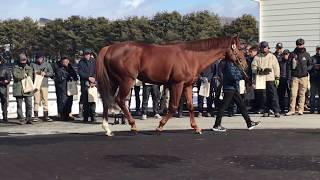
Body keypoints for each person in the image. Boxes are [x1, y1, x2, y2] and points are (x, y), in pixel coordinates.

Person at [212, 59, 260, 132]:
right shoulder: (229, 63)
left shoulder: (227, 63)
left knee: (241, 105)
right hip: (230, 88)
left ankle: (249, 123)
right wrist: (242, 75)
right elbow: (232, 75)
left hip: (232, 87)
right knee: (224, 106)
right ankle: (216, 125)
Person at [251, 41, 281, 118]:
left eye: (265, 47)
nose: (264, 48)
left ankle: (276, 111)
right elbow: (253, 67)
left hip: (270, 78)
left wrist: (277, 77)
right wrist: (259, 70)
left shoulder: (272, 56)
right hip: (261, 79)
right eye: (262, 47)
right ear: (260, 48)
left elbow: (276, 67)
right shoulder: (257, 57)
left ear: (268, 47)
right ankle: (266, 110)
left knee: (273, 95)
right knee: (263, 96)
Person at [286, 38, 311, 116]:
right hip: (295, 77)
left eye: (301, 44)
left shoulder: (307, 54)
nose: (300, 46)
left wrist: (306, 70)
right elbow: (289, 66)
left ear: (303, 44)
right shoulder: (292, 54)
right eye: (298, 44)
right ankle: (292, 110)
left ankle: (300, 109)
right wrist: (289, 77)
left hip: (304, 77)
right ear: (296, 45)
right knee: (293, 94)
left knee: (302, 94)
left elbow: (310, 65)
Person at [31, 51, 54, 122]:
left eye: (41, 58)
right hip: (36, 85)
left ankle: (46, 115)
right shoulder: (32, 64)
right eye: (38, 58)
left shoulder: (47, 64)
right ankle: (36, 115)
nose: (39, 60)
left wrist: (45, 73)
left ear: (43, 58)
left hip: (44, 85)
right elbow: (30, 74)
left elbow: (51, 73)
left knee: (45, 100)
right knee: (36, 100)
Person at [12, 53, 34, 124]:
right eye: (22, 60)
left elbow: (30, 76)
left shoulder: (29, 68)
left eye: (24, 60)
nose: (23, 62)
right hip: (18, 89)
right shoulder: (15, 67)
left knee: (29, 105)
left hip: (27, 88)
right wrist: (24, 75)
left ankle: (29, 118)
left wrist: (24, 75)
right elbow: (16, 76)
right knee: (19, 105)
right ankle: (21, 119)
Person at [55, 56, 78, 121]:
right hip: (62, 87)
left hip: (70, 87)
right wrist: (67, 76)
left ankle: (68, 114)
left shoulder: (71, 68)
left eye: (67, 61)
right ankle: (62, 115)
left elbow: (75, 76)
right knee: (62, 101)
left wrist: (73, 78)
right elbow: (59, 78)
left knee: (69, 101)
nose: (66, 63)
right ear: (62, 62)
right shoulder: (59, 68)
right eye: (64, 62)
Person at [78, 49, 97, 122]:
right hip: (84, 83)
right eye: (85, 54)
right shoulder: (81, 62)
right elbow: (80, 73)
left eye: (88, 54)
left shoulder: (94, 61)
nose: (87, 55)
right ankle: (85, 116)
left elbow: (96, 71)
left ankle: (93, 116)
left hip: (93, 83)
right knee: (85, 100)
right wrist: (88, 77)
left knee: (92, 100)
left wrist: (94, 79)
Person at [277, 49, 292, 114]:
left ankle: (289, 108)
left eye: (287, 54)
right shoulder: (280, 61)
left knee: (290, 94)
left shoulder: (291, 61)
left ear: (289, 54)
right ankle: (282, 108)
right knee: (281, 95)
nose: (285, 55)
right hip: (282, 79)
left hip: (289, 79)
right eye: (284, 54)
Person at [308, 45, 320, 114]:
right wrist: (314, 67)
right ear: (316, 50)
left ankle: (319, 109)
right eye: (318, 49)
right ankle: (311, 109)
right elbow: (308, 68)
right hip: (313, 79)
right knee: (312, 95)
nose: (319, 50)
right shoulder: (312, 58)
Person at [0, 56, 11, 122]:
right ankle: (5, 116)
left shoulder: (5, 68)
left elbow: (9, 78)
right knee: (4, 102)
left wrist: (7, 81)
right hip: (3, 86)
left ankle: (5, 116)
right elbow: (9, 77)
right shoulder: (5, 68)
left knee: (4, 102)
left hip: (3, 86)